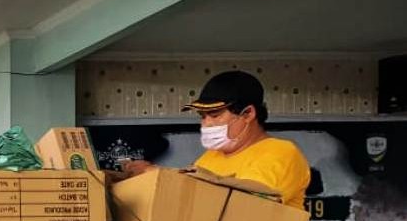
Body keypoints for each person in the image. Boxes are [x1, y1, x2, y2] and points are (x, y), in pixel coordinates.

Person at [124, 70, 311, 208]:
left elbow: (246, 204)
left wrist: (160, 175)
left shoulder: (280, 152)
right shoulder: (210, 157)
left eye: (215, 115)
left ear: (248, 114)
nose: (206, 124)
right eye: (203, 116)